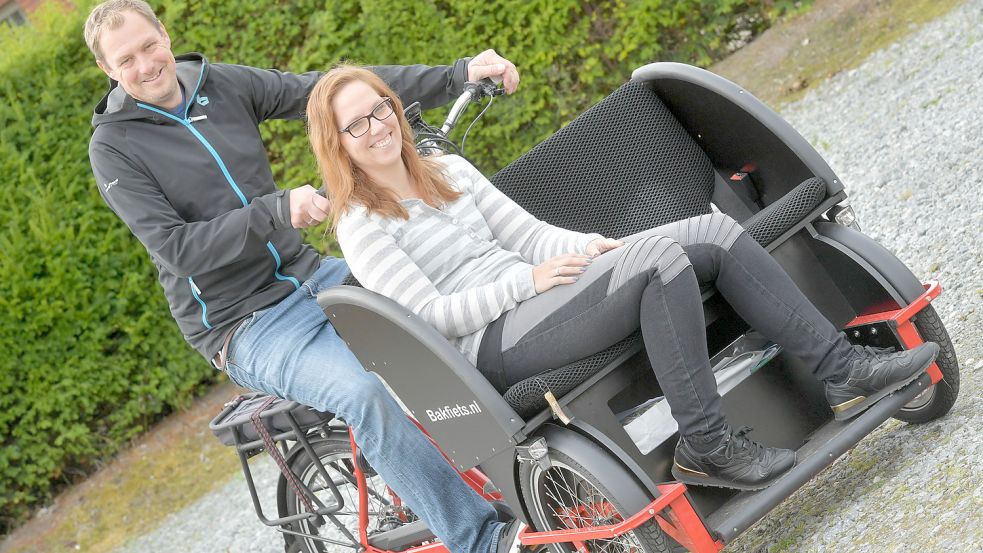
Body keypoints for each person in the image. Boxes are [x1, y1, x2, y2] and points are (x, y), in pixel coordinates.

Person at [311, 65, 940, 491]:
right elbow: (431, 316)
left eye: (382, 109)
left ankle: (843, 372)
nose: (377, 128)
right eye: (356, 124)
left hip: (541, 294)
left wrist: (601, 247)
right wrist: (529, 282)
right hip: (493, 342)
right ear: (336, 144)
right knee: (659, 269)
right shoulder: (360, 225)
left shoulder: (446, 167)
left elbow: (530, 236)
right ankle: (708, 447)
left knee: (709, 234)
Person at [85, 1, 530, 551]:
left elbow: (335, 93)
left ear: (165, 34)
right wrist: (274, 212)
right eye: (126, 60)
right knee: (366, 394)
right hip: (244, 324)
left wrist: (457, 74)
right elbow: (177, 249)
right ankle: (480, 538)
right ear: (109, 71)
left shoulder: (219, 84)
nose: (145, 64)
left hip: (312, 275)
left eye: (149, 45)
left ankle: (534, 464)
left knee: (442, 300)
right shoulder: (114, 147)